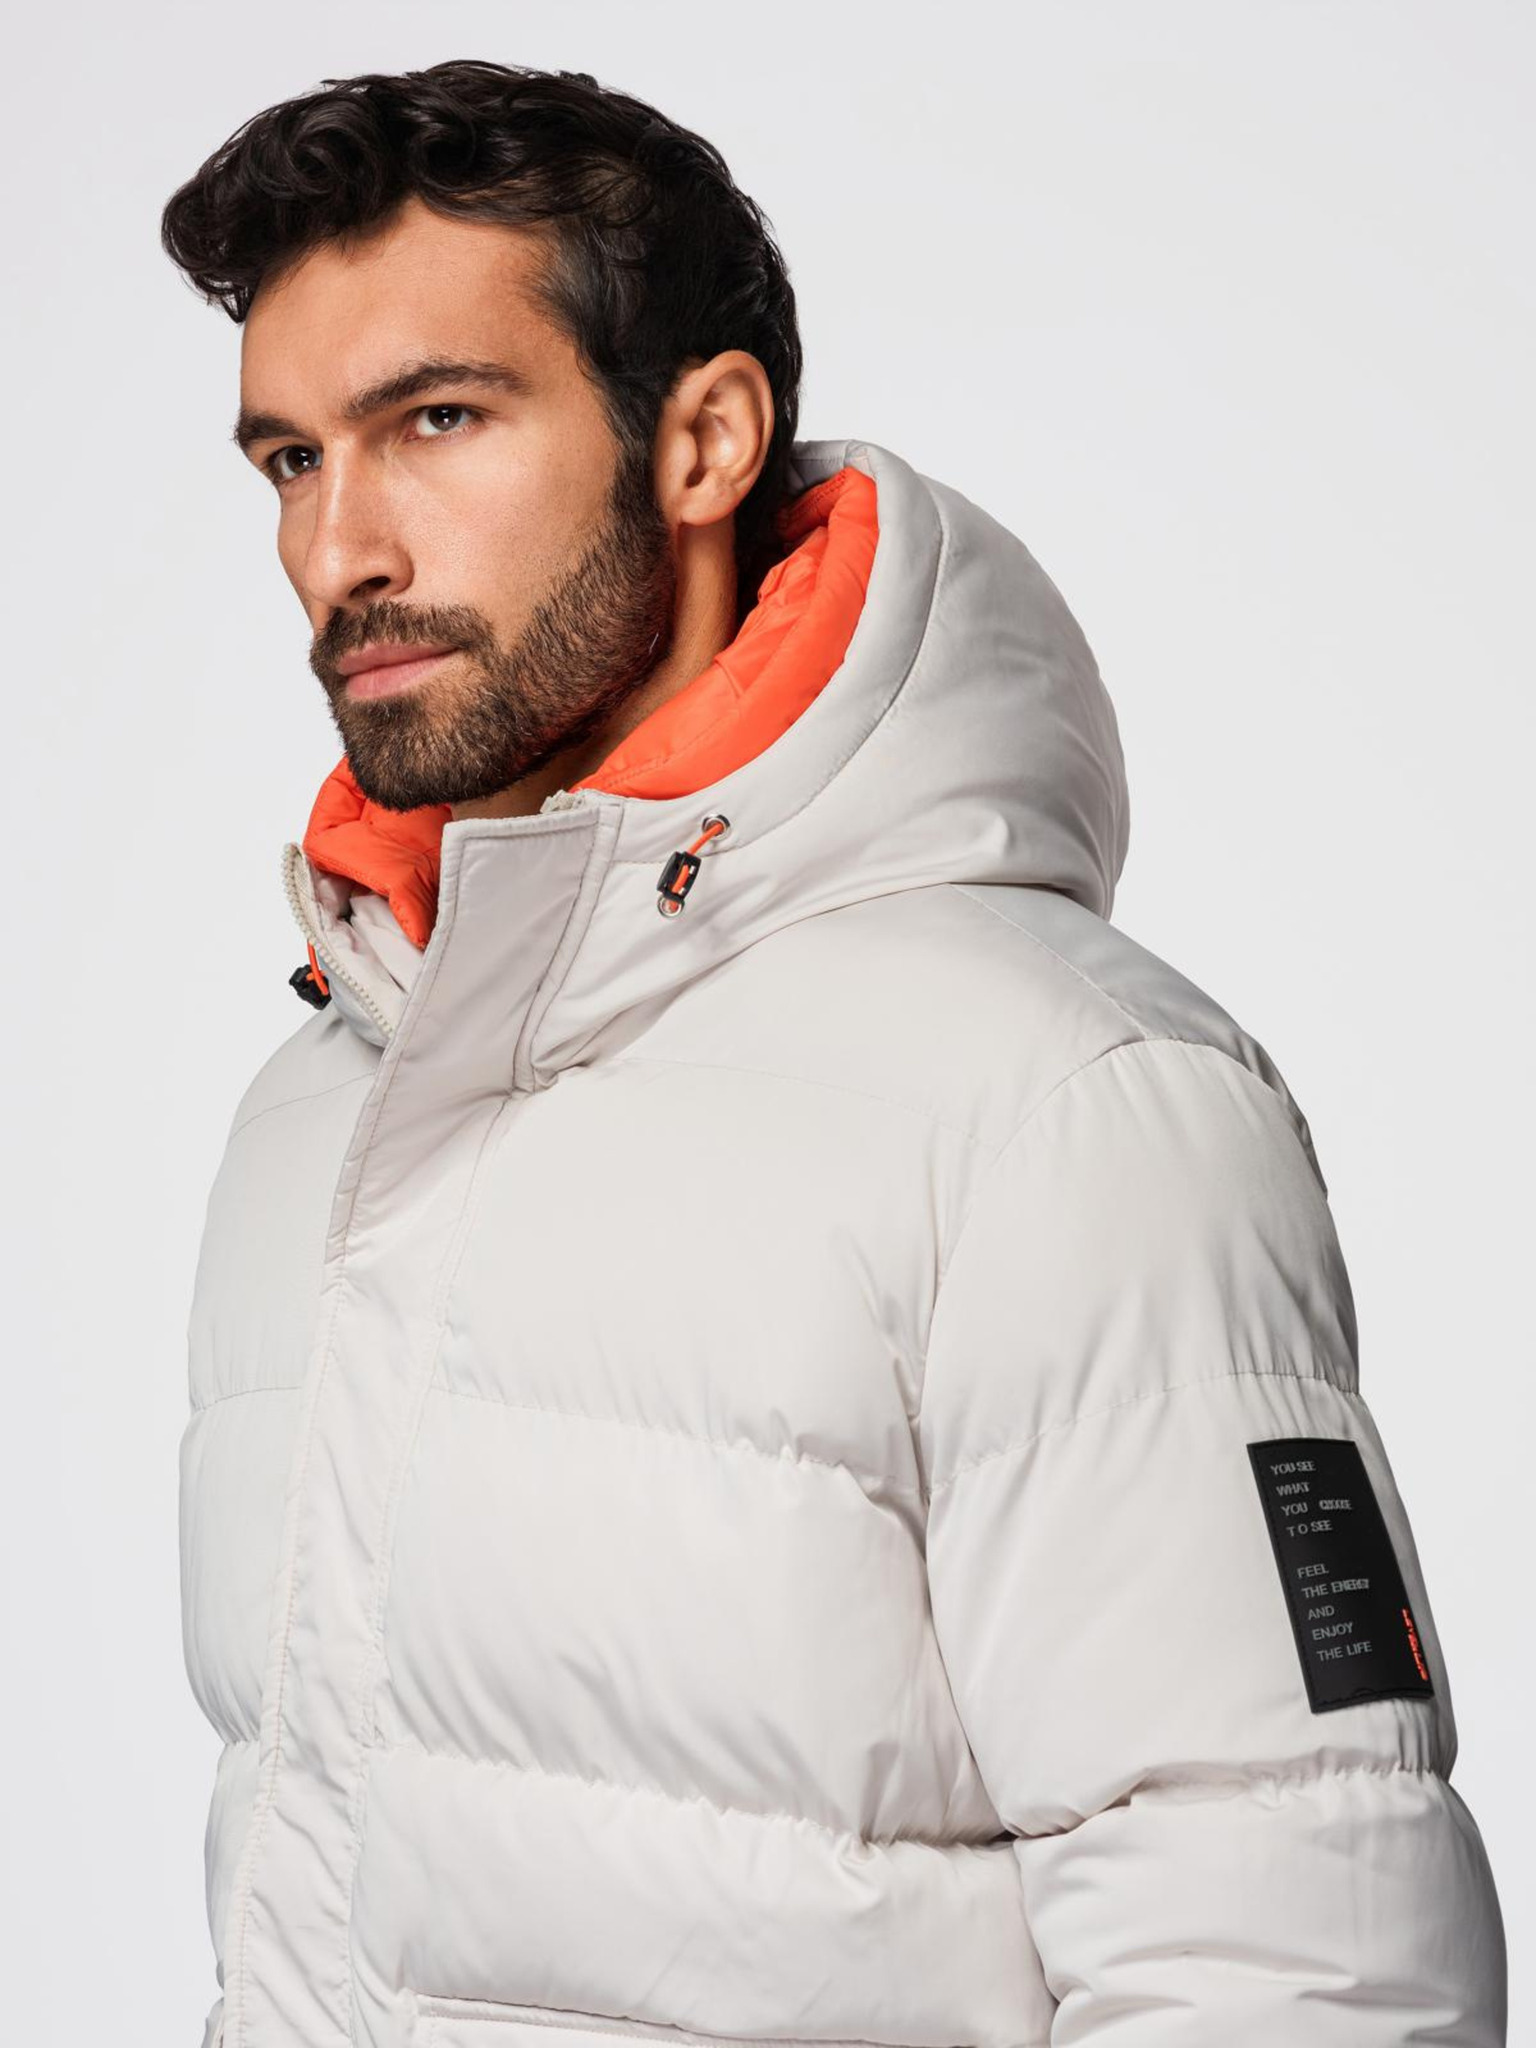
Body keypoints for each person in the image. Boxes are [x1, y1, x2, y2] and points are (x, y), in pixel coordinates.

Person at [161, 59, 1506, 2048]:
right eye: (290, 458)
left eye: (436, 420)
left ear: (703, 439)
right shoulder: (321, 1107)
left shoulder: (1066, 1102)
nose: (337, 549)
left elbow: (1299, 1973)